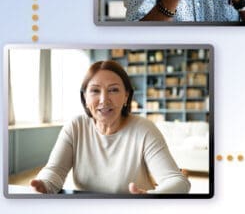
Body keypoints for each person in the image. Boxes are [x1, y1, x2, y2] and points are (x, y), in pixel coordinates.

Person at [30, 60, 191, 194]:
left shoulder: (144, 129)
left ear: (126, 96)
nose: (104, 100)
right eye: (95, 91)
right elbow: (54, 172)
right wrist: (44, 185)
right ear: (85, 97)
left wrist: (149, 198)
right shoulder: (75, 126)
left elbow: (178, 182)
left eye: (113, 90)